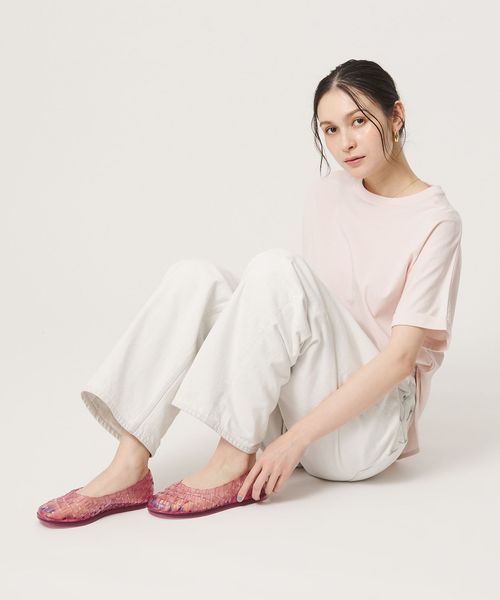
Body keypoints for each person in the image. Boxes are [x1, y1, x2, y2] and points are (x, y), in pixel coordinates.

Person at [37, 59, 462, 525]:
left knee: (278, 268)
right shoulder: (328, 192)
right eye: (330, 129)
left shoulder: (435, 221)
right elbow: (304, 320)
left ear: (396, 116)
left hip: (369, 431)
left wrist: (292, 441)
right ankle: (129, 465)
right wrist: (285, 432)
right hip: (307, 409)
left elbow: (400, 360)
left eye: (358, 121)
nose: (345, 143)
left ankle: (232, 457)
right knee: (196, 278)